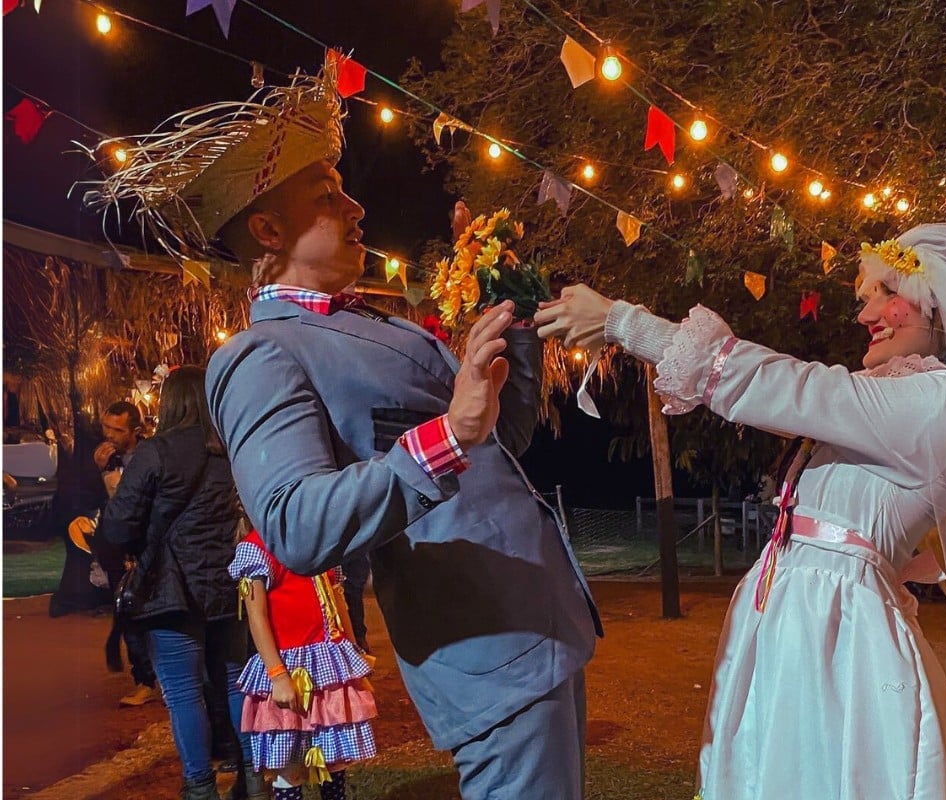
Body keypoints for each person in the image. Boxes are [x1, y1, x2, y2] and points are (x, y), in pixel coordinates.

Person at [81, 70, 600, 800]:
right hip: (484, 646)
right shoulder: (260, 354)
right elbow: (293, 522)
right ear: (268, 230)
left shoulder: (371, 323)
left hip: (539, 619)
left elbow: (496, 445)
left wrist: (507, 319)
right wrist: (449, 430)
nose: (356, 206)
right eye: (327, 195)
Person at [535, 223, 946, 798]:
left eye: (886, 295)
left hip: (836, 634)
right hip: (801, 617)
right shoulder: (902, 395)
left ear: (941, 308)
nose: (866, 315)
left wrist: (623, 322)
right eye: (866, 298)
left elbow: (794, 389)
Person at [96, 367, 264, 800]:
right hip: (227, 586)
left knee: (185, 693)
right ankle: (253, 782)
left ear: (170, 402)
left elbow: (116, 525)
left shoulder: (156, 453)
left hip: (170, 591)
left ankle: (199, 787)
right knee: (234, 685)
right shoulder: (228, 451)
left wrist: (131, 547)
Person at [231, 528, 377, 799]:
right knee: (289, 763)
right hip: (288, 668)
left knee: (333, 760)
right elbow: (256, 616)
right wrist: (277, 675)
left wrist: (353, 649)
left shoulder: (319, 540)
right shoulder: (258, 547)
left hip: (328, 666)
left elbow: (337, 598)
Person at [88, 401, 160, 707]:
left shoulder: (149, 456)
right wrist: (99, 472)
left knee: (151, 614)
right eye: (106, 427)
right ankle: (144, 679)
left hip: (147, 547)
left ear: (136, 431)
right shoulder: (105, 458)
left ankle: (156, 676)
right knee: (127, 612)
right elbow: (99, 504)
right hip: (118, 549)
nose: (109, 435)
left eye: (117, 429)